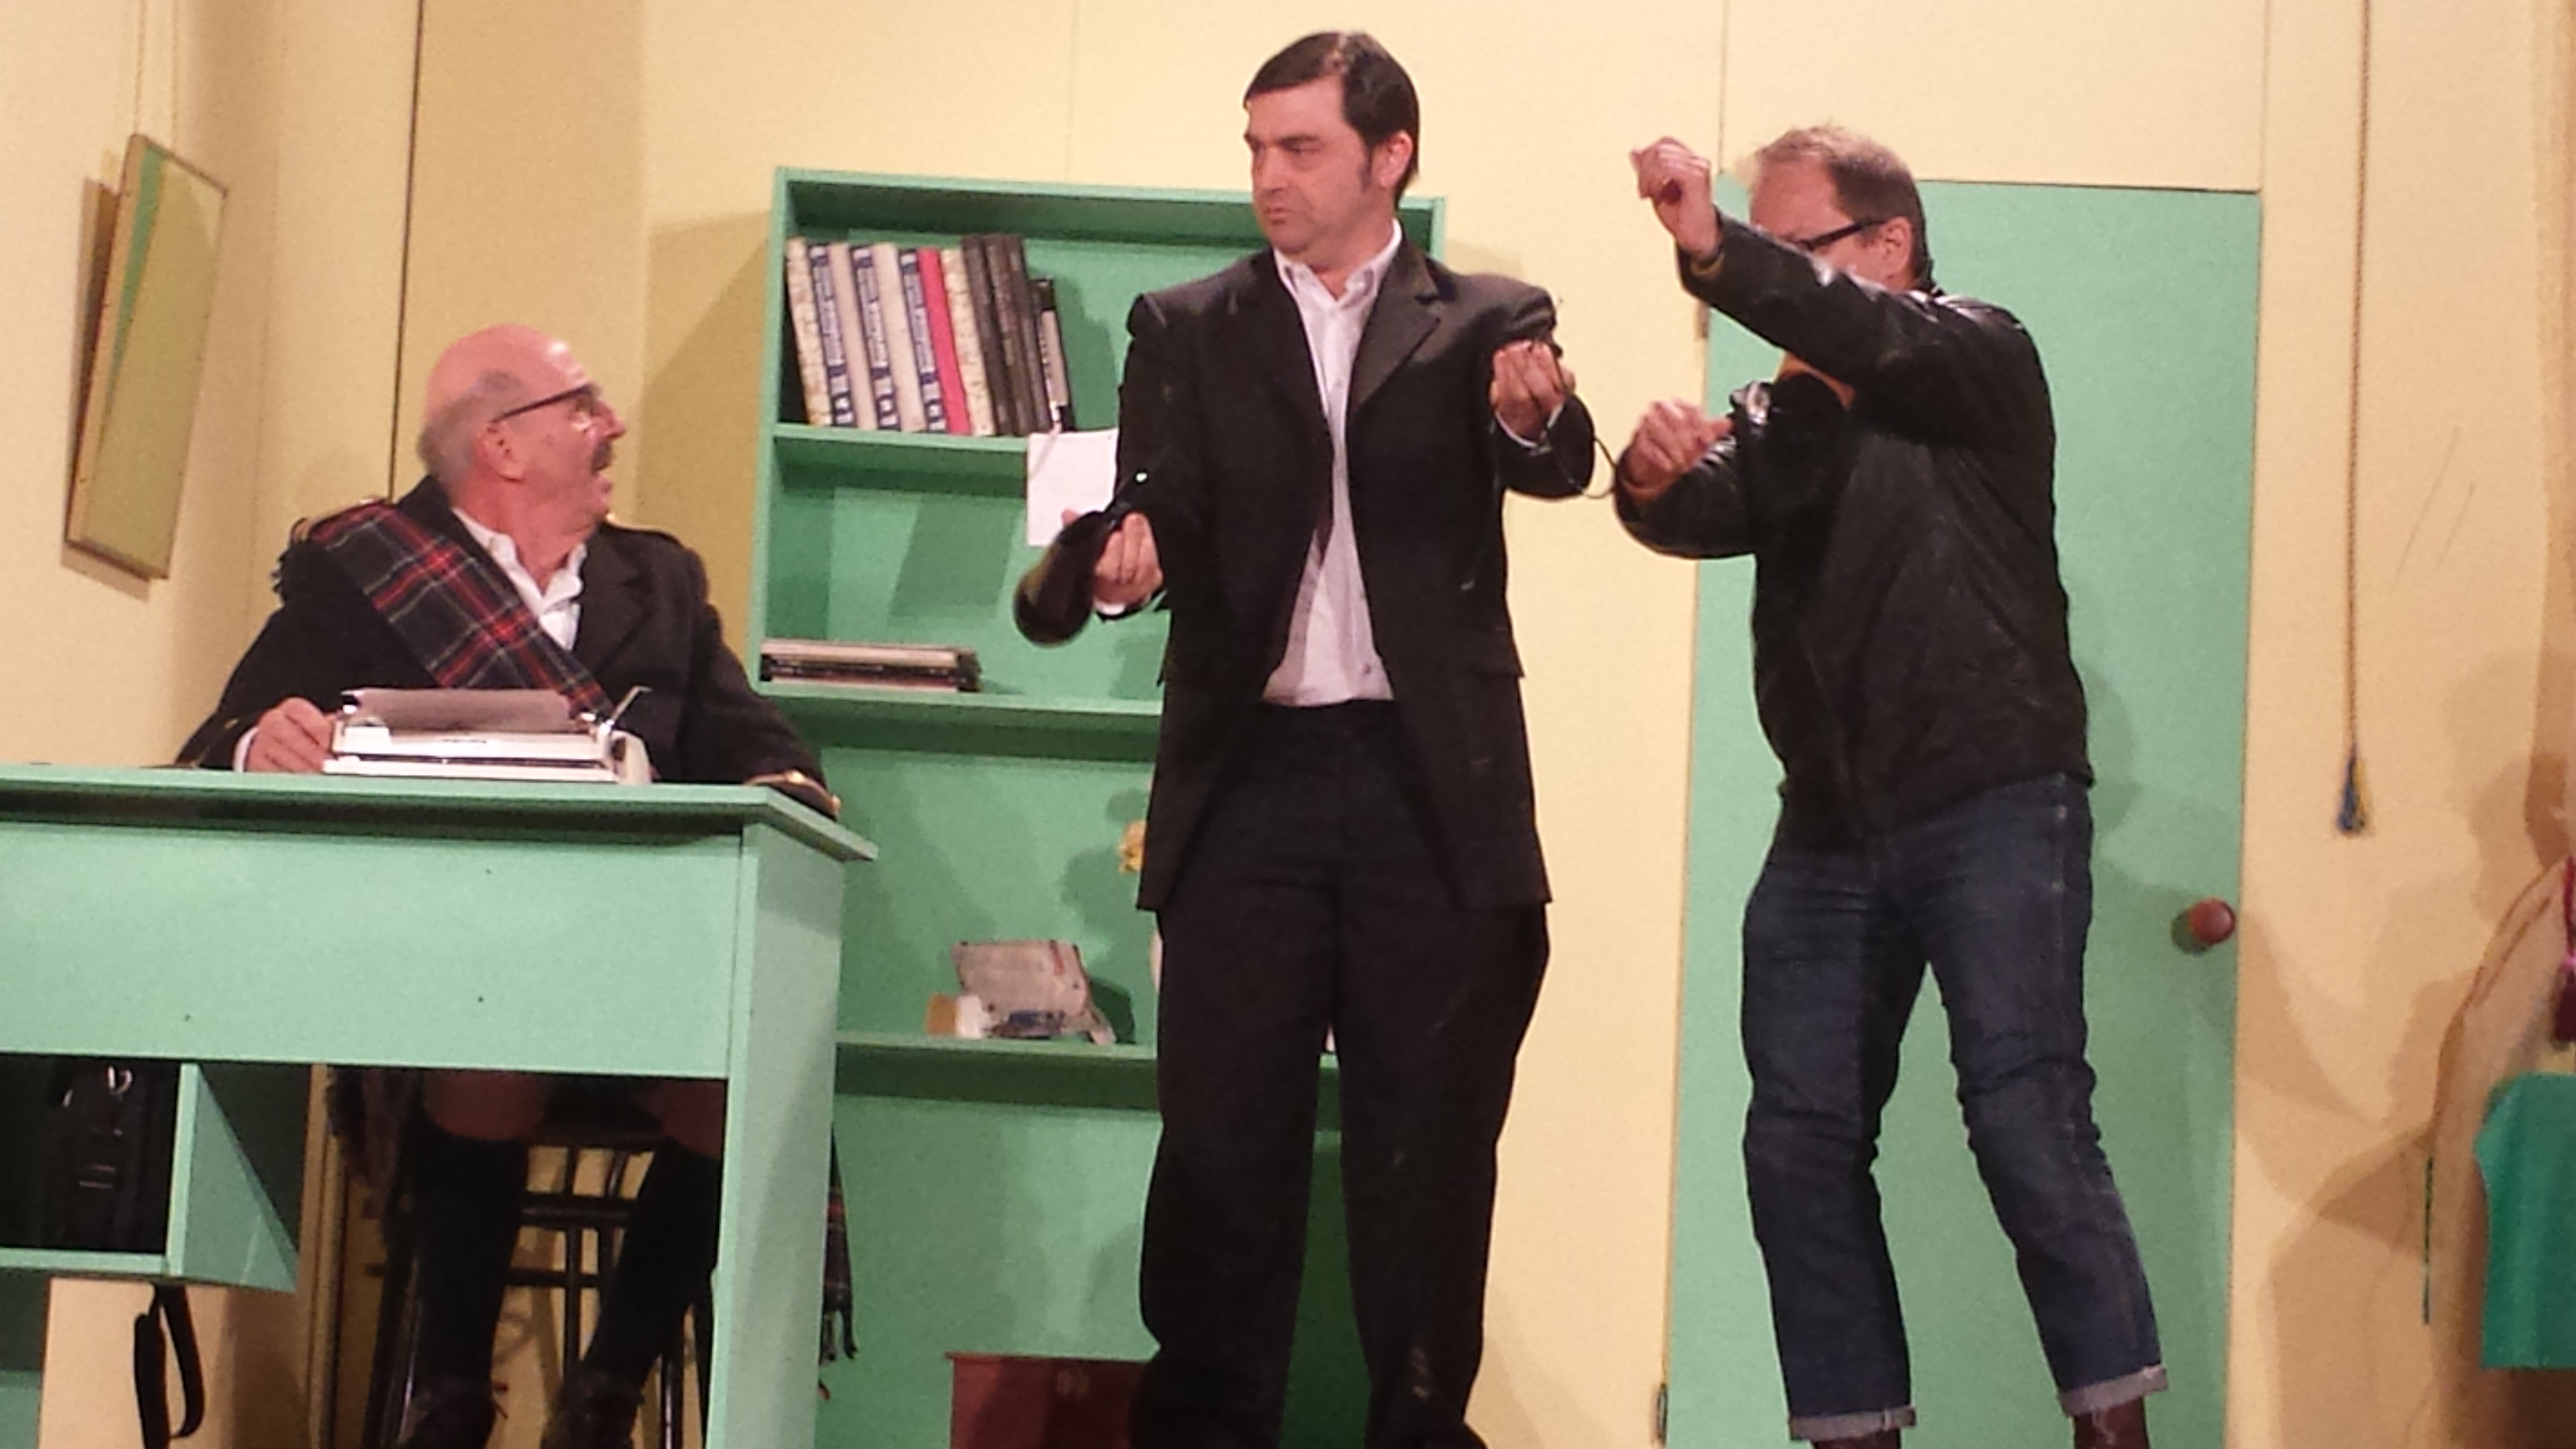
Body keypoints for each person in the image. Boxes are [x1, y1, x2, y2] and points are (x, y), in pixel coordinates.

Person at [179, 324, 833, 1449]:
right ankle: (450, 1397)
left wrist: (785, 782)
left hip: (633, 970)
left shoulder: (659, 580)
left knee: (742, 1077)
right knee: (489, 1039)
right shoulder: (366, 573)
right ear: (503, 444)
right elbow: (223, 738)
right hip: (439, 976)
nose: (612, 425)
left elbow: (751, 739)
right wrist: (260, 741)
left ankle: (605, 1392)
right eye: (584, 406)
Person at [1079, 31, 1594, 1449]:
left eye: (1300, 147)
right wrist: (1125, 555)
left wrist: (1536, 418)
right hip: (1250, 784)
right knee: (1221, 1152)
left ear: (1390, 156)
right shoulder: (1186, 325)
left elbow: (1558, 457)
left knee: (1426, 1159)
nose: (1269, 176)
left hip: (1430, 791)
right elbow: (1151, 505)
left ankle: (1419, 1430)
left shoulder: (1484, 317)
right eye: (1255, 147)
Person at [1616, 129, 2162, 1449]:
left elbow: (1845, 326)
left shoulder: (1975, 352)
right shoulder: (1785, 417)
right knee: (1796, 1143)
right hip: (1828, 829)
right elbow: (1700, 510)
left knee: (2025, 1114)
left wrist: (1712, 246)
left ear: (1891, 245)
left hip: (1993, 793)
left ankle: (2114, 1433)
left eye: (1791, 245)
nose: (1774, 278)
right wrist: (1641, 480)